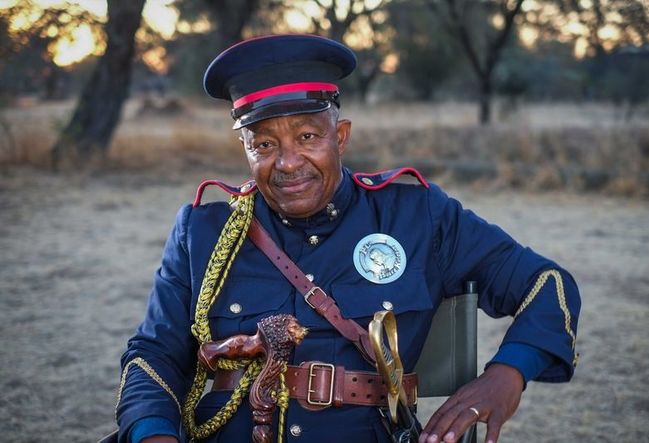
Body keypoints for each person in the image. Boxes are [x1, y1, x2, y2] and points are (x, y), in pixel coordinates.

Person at [114, 34, 580, 443]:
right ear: (246, 149)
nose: (288, 162)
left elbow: (547, 285)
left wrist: (507, 374)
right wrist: (153, 434)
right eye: (264, 144)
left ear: (341, 136)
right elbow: (153, 354)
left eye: (308, 136)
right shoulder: (203, 231)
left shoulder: (419, 216)